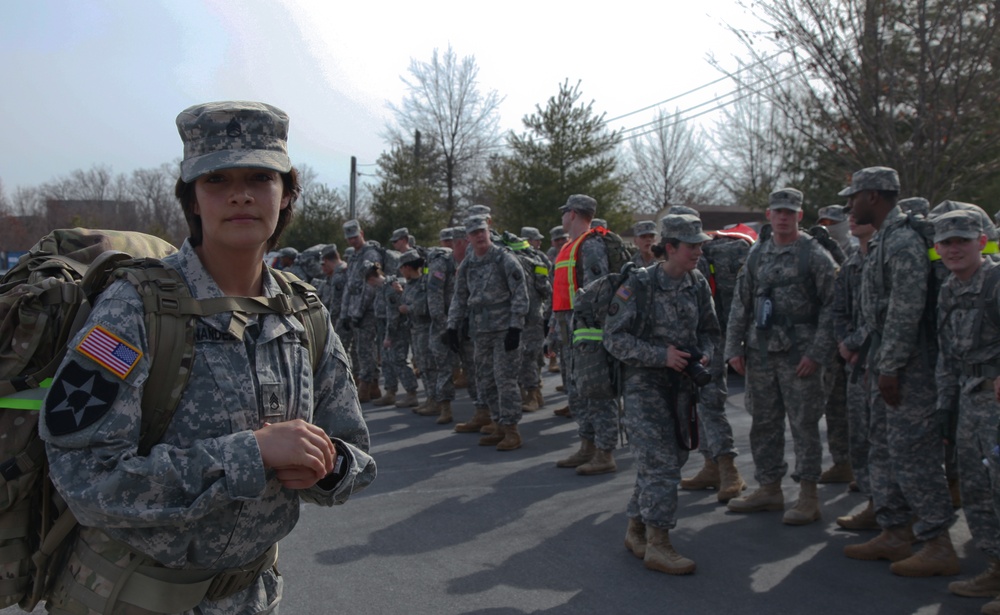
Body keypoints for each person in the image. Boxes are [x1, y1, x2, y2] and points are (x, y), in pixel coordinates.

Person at [39, 100, 376, 615]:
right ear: (192, 200)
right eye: (216, 179)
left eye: (260, 177)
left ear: (286, 195)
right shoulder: (135, 307)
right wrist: (253, 453)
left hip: (255, 596)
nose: (240, 194)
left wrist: (328, 469)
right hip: (138, 597)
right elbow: (85, 479)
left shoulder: (303, 311)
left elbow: (355, 454)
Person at [840, 167, 959, 577]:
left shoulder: (903, 241)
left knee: (915, 453)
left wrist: (889, 367)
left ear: (872, 196)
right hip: (883, 361)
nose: (850, 205)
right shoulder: (886, 238)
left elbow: (905, 311)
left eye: (854, 197)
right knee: (885, 446)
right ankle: (895, 531)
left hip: (909, 367)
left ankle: (938, 542)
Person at [605, 214, 720, 575]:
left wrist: (703, 354)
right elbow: (613, 338)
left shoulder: (697, 282)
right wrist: (661, 356)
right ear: (670, 248)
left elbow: (710, 331)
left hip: (682, 387)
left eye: (700, 244)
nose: (699, 251)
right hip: (645, 387)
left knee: (675, 458)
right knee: (661, 465)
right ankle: (659, 544)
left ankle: (636, 529)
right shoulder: (638, 284)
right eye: (692, 246)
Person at [725, 188, 837, 525]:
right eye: (778, 211)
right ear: (769, 215)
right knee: (763, 423)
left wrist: (817, 353)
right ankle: (769, 487)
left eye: (790, 212)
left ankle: (808, 495)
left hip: (800, 356)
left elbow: (835, 307)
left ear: (800, 216)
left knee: (803, 425)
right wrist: (733, 348)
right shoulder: (758, 254)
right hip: (760, 353)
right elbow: (741, 303)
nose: (784, 217)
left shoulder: (814, 255)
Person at [934, 210, 1000, 614]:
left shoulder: (995, 281)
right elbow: (946, 354)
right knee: (976, 488)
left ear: (981, 241)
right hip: (967, 398)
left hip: (995, 401)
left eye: (963, 240)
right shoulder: (948, 289)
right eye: (947, 242)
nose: (954, 249)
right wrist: (945, 407)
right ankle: (995, 566)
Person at [445, 215, 529, 451]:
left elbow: (520, 294)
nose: (480, 236)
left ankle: (512, 430)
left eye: (482, 231)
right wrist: (452, 326)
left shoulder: (505, 259)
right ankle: (498, 424)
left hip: (504, 330)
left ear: (488, 231)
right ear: (468, 238)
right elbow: (459, 297)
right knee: (485, 380)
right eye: (474, 233)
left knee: (505, 380)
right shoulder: (468, 264)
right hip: (480, 331)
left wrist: (516, 326)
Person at [551, 195, 622, 475]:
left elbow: (599, 289)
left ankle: (605, 452)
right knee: (578, 392)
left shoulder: (591, 245)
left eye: (564, 213)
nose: (562, 218)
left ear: (572, 214)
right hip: (569, 329)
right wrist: (554, 332)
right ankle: (587, 445)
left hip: (588, 331)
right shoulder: (571, 245)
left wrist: (588, 329)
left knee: (597, 392)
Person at [833, 211, 879, 530]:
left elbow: (886, 313)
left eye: (860, 213)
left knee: (884, 439)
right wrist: (844, 344)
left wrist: (854, 342)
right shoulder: (850, 263)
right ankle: (875, 500)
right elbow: (839, 309)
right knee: (860, 434)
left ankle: (891, 508)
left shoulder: (886, 257)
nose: (852, 218)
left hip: (882, 362)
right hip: (855, 363)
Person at [340, 219, 386, 402]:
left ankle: (365, 387)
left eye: (355, 236)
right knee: (359, 350)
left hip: (368, 311)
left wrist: (358, 312)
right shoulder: (354, 256)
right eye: (349, 238)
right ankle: (373, 386)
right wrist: (345, 313)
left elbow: (370, 286)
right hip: (355, 310)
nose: (352, 241)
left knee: (365, 350)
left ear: (362, 233)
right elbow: (349, 287)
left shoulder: (370, 255)